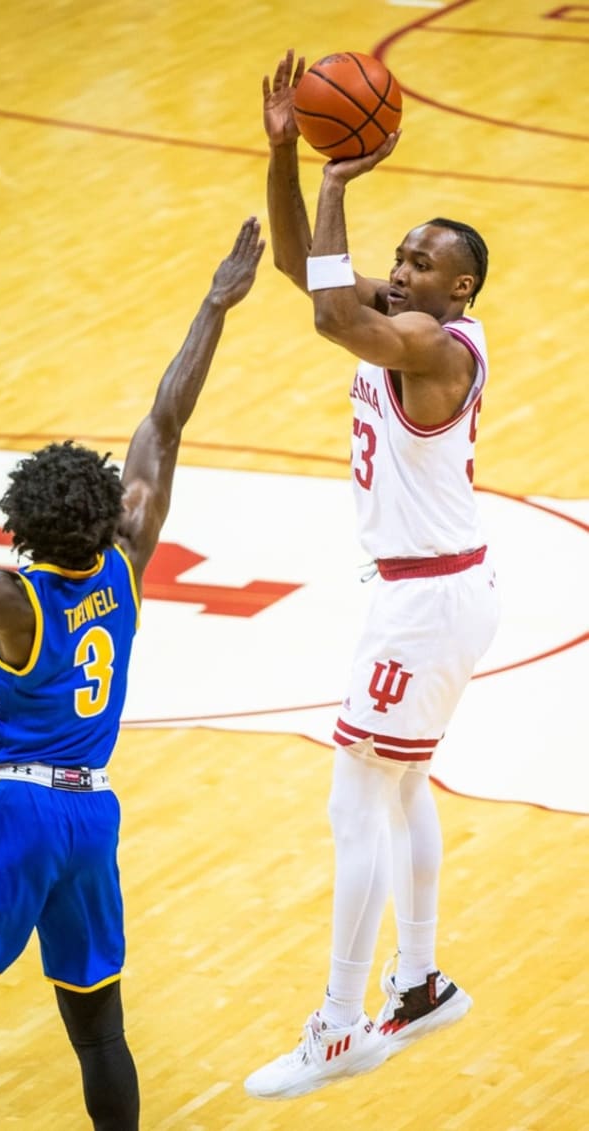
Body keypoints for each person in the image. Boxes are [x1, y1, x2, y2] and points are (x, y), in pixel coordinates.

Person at [0, 217, 264, 1131]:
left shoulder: (13, 598)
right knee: (98, 1030)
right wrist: (216, 303)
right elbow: (166, 422)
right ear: (104, 511)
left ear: (20, 524)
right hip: (92, 814)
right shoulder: (128, 557)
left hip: (13, 809)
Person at [243, 52, 500, 1101]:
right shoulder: (399, 323)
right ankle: (422, 980)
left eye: (419, 259)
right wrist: (283, 155)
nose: (400, 267)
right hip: (429, 594)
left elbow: (326, 316)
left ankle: (343, 1023)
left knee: (357, 806)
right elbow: (295, 272)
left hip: (426, 602)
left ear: (459, 287)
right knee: (397, 791)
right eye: (397, 254)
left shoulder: (432, 346)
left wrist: (341, 178)